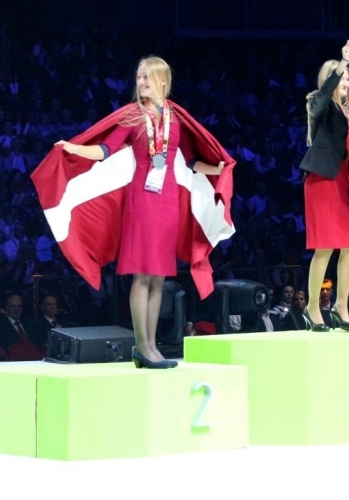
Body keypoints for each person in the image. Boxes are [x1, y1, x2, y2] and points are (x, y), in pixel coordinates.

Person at [54, 56, 229, 369]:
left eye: (147, 77)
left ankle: (153, 346)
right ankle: (142, 345)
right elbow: (106, 149)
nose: (142, 83)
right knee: (142, 273)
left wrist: (216, 168)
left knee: (159, 276)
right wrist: (75, 148)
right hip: (143, 198)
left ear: (163, 80)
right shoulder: (133, 116)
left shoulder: (177, 118)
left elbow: (189, 160)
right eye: (138, 77)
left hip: (168, 199)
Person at [298, 41, 349, 333]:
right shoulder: (318, 103)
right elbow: (323, 97)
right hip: (322, 181)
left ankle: (341, 305)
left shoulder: (348, 113)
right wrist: (344, 63)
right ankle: (312, 307)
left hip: (344, 183)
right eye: (341, 78)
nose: (346, 82)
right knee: (325, 247)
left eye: (348, 78)